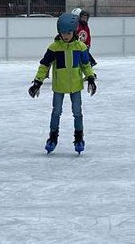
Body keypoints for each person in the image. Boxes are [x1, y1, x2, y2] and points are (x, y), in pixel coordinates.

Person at [29, 11, 97, 154]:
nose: (65, 36)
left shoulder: (80, 47)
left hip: (75, 86)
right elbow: (44, 65)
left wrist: (90, 78)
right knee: (56, 112)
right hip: (59, 87)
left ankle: (79, 138)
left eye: (68, 33)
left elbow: (85, 65)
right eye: (63, 33)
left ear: (74, 31)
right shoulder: (54, 48)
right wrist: (37, 82)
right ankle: (52, 138)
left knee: (77, 112)